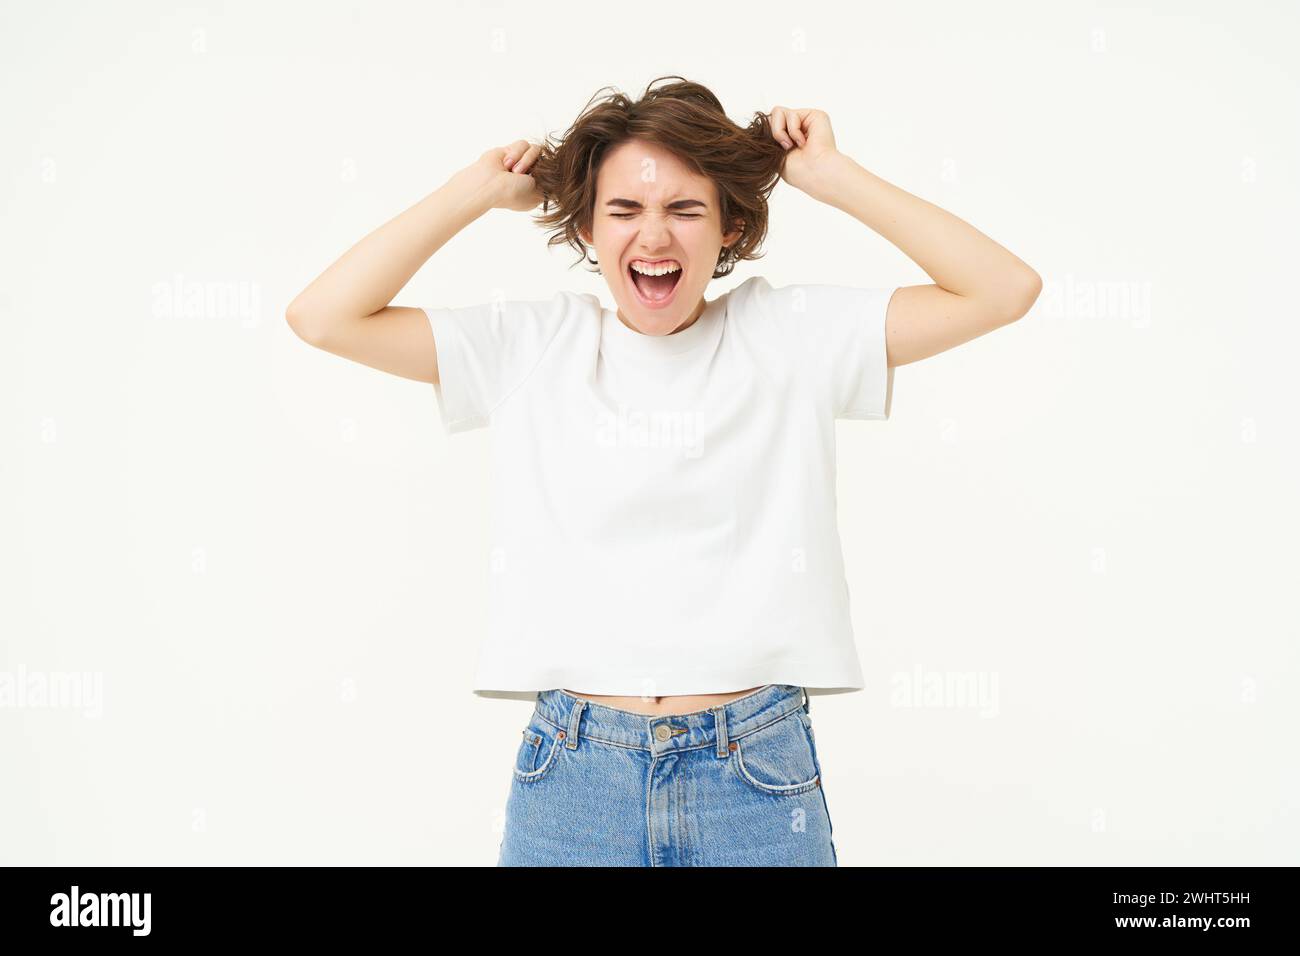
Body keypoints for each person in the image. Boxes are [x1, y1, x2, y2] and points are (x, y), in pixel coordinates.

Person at [286, 76, 1041, 866]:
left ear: (730, 227)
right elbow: (321, 315)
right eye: (623, 210)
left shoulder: (789, 336)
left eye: (685, 209)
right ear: (585, 226)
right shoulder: (531, 347)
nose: (654, 235)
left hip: (753, 776)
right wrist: (469, 192)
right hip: (573, 781)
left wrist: (835, 178)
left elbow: (1004, 288)